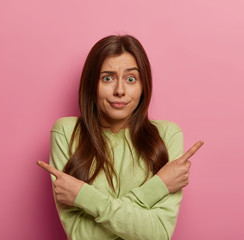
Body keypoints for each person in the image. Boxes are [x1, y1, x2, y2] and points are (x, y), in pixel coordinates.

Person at [37, 35, 203, 240]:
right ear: (91, 84)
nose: (120, 91)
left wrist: (84, 196)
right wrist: (158, 186)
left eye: (131, 79)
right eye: (107, 78)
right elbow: (81, 235)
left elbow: (158, 234)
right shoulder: (66, 132)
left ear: (143, 86)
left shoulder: (167, 135)